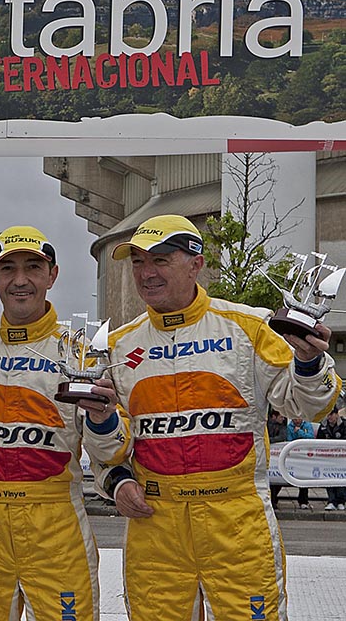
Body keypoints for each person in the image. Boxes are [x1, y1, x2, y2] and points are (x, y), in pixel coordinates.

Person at [81, 214, 342, 620]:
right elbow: (110, 446)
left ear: (196, 263)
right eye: (137, 262)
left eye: (161, 260)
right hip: (156, 524)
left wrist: (308, 362)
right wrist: (116, 482)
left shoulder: (248, 327)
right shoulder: (116, 346)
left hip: (236, 521)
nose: (146, 273)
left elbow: (308, 407)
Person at [0, 226, 101, 621]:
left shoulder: (80, 355)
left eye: (33, 267)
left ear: (52, 275)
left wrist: (105, 418)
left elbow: (111, 450)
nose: (20, 280)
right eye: (7, 268)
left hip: (55, 523)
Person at [317, 410, 346, 510]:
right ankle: (331, 501)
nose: (329, 417)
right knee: (328, 479)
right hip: (328, 459)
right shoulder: (323, 426)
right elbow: (318, 441)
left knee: (340, 478)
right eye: (328, 415)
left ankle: (341, 501)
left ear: (337, 415)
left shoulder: (344, 425)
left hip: (341, 459)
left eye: (331, 415)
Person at [286, 417, 316, 509]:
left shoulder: (307, 425)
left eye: (298, 418)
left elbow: (311, 437)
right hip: (293, 456)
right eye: (294, 419)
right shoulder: (289, 427)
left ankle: (303, 501)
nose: (296, 420)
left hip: (305, 457)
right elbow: (289, 440)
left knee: (304, 478)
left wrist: (299, 432)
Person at [267, 410, 289, 509]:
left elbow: (282, 436)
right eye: (281, 417)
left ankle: (274, 499)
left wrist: (269, 441)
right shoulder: (266, 425)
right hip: (268, 457)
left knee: (278, 479)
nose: (283, 419)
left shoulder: (282, 426)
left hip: (276, 456)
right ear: (274, 417)